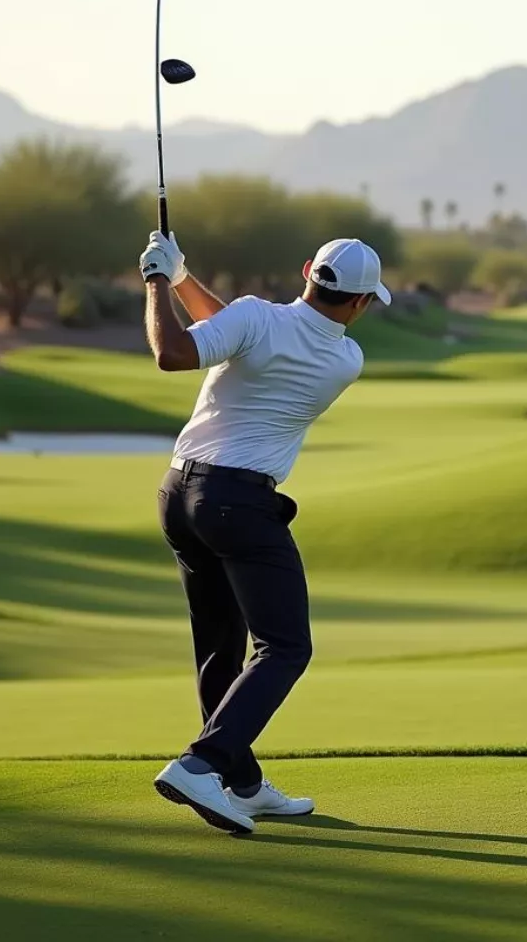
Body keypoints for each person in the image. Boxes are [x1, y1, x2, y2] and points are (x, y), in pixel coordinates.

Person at [138, 230, 389, 835]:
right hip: (239, 504)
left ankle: (242, 784)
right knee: (285, 647)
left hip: (178, 494)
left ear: (307, 271)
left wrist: (159, 280)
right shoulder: (344, 360)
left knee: (222, 645)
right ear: (359, 303)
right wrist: (177, 278)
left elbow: (197, 345)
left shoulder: (253, 317)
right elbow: (218, 342)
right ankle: (201, 764)